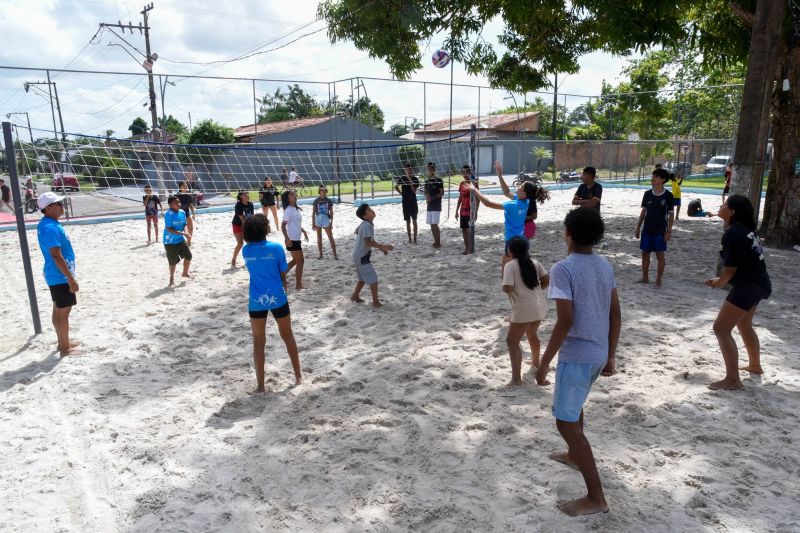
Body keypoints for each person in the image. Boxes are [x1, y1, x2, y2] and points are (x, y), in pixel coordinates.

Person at [535, 207, 621, 517]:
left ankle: (596, 496)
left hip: (579, 356)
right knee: (575, 404)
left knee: (565, 421)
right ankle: (573, 454)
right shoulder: (604, 265)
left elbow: (565, 320)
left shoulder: (563, 268)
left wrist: (544, 363)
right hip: (597, 353)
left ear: (568, 234)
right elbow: (615, 313)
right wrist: (611, 354)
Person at [705, 195, 771, 390]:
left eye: (725, 204)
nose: (721, 206)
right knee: (744, 324)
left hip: (748, 286)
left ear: (732, 212)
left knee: (721, 329)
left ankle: (733, 380)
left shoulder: (733, 233)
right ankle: (755, 365)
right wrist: (722, 280)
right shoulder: (747, 230)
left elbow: (731, 269)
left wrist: (719, 283)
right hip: (759, 283)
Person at [242, 214, 302, 392]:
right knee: (288, 336)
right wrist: (296, 260)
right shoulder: (275, 248)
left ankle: (261, 386)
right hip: (277, 297)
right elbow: (282, 272)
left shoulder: (246, 251)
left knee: (258, 342)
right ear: (264, 228)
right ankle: (298, 376)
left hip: (256, 300)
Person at [36, 191, 81, 356]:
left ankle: (63, 342)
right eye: (59, 204)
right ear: (48, 208)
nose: (62, 206)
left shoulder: (48, 223)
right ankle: (64, 347)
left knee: (58, 309)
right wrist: (70, 278)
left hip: (56, 275)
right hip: (59, 275)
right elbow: (56, 255)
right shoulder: (49, 227)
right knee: (63, 312)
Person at [468, 160, 536, 267]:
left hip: (512, 241)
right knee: (519, 265)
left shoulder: (513, 205)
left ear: (524, 193)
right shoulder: (525, 201)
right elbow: (506, 192)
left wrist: (475, 190)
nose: (518, 186)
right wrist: (499, 175)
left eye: (520, 186)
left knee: (507, 267)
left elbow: (488, 203)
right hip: (521, 239)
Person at [502, 237, 549, 384]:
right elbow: (546, 280)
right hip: (539, 305)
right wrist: (535, 291)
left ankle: (516, 379)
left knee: (511, 341)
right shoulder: (535, 262)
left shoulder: (510, 266)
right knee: (532, 334)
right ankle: (536, 362)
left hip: (523, 308)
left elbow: (507, 287)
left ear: (510, 250)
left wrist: (507, 285)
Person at [635, 168, 675, 287]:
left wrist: (669, 231)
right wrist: (638, 227)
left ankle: (658, 280)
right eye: (653, 176)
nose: (653, 178)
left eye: (656, 176)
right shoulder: (647, 194)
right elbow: (644, 211)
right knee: (645, 253)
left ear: (662, 179)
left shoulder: (668, 195)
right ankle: (645, 278)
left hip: (660, 230)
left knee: (659, 255)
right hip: (647, 229)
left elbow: (671, 214)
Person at [350, 203, 394, 307]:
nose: (372, 211)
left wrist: (381, 248)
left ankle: (354, 296)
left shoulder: (365, 224)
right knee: (373, 279)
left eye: (371, 209)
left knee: (362, 279)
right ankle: (375, 302)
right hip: (361, 256)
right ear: (365, 216)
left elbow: (363, 236)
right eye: (369, 210)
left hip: (357, 255)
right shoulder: (367, 225)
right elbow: (368, 242)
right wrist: (383, 246)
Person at [281, 190, 309, 289]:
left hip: (295, 238)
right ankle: (298, 285)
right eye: (291, 195)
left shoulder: (295, 208)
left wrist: (303, 231)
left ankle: (281, 275)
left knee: (295, 260)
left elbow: (294, 224)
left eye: (294, 194)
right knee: (300, 261)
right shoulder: (288, 210)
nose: (294, 195)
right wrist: (287, 239)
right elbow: (283, 226)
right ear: (287, 199)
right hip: (292, 240)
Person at [163, 195, 193, 286]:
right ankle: (171, 279)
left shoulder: (182, 212)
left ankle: (185, 273)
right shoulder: (168, 214)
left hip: (180, 239)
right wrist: (183, 234)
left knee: (189, 256)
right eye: (176, 203)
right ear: (170, 205)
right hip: (170, 242)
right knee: (173, 262)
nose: (179, 204)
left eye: (179, 202)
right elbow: (169, 229)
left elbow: (184, 225)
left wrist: (186, 233)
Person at [454, 164, 479, 254]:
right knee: (464, 229)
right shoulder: (462, 184)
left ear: (469, 172)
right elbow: (460, 198)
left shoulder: (474, 183)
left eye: (466, 172)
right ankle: (466, 248)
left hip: (470, 210)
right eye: (463, 172)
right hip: (463, 210)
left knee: (469, 229)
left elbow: (477, 198)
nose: (465, 174)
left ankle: (470, 248)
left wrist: (476, 211)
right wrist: (456, 211)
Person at [395, 163, 420, 244]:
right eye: (407, 170)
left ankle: (415, 238)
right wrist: (401, 193)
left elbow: (413, 190)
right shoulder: (402, 178)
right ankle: (409, 239)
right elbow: (396, 187)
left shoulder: (415, 179)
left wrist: (410, 179)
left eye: (410, 170)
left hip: (413, 202)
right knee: (407, 221)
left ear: (412, 170)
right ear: (405, 170)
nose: (409, 171)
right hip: (405, 202)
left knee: (414, 221)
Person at [312, 185, 338, 259]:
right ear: (319, 191)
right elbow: (313, 213)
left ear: (326, 191)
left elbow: (332, 213)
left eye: (324, 190)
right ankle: (320, 254)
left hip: (326, 218)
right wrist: (313, 224)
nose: (323, 191)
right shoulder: (316, 200)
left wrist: (331, 223)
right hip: (318, 219)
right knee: (319, 238)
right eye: (321, 190)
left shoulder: (329, 201)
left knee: (330, 237)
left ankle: (335, 254)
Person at [231, 190, 254, 268]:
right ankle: (233, 259)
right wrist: (247, 229)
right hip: (237, 225)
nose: (247, 194)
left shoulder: (250, 204)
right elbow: (242, 220)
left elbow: (252, 217)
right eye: (245, 194)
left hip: (246, 224)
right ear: (241, 196)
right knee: (240, 243)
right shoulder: (238, 205)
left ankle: (249, 259)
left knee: (249, 243)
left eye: (248, 193)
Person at [423, 162, 444, 248]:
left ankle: (438, 242)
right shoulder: (427, 181)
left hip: (436, 205)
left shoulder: (438, 180)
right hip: (429, 205)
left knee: (435, 224)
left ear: (434, 169)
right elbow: (425, 191)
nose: (430, 170)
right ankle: (435, 241)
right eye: (429, 169)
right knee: (431, 224)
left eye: (431, 169)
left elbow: (442, 192)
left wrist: (433, 197)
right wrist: (427, 196)